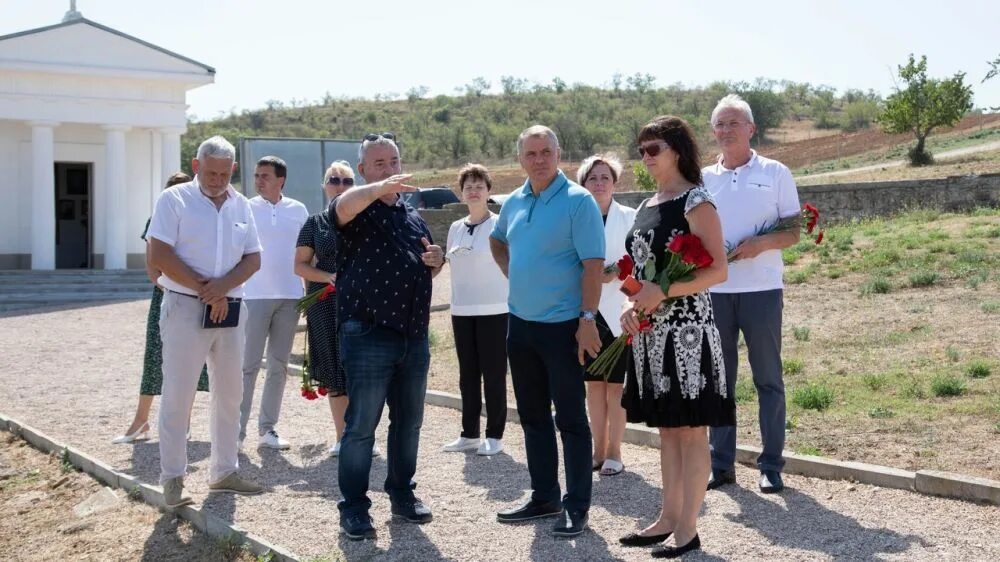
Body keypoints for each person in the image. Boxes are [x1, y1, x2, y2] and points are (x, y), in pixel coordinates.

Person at [617, 115, 732, 559]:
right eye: (641, 150)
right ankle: (667, 518)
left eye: (653, 149)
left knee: (690, 432)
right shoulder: (648, 204)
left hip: (687, 333)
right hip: (650, 334)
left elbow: (717, 269)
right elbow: (640, 273)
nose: (645, 157)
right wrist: (633, 304)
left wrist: (661, 291)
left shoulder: (697, 200)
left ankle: (688, 529)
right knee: (668, 431)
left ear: (678, 151)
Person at [490, 125, 605, 538]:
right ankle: (544, 497)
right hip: (520, 326)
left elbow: (593, 265)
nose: (539, 159)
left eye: (546, 151)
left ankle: (577, 506)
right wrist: (513, 274)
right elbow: (497, 241)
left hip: (564, 329)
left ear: (560, 154)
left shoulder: (579, 201)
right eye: (531, 153)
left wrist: (587, 319)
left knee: (572, 420)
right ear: (520, 158)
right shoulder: (513, 202)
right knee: (534, 417)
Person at [331, 133, 444, 540]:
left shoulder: (412, 215)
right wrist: (378, 189)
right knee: (361, 425)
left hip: (413, 335)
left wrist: (436, 259)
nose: (388, 169)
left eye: (393, 161)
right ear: (362, 170)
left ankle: (402, 493)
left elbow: (426, 262)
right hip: (367, 333)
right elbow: (340, 208)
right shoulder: (354, 208)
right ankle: (355, 508)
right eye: (378, 163)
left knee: (409, 422)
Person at [147, 135, 264, 508]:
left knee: (231, 393)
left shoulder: (241, 205)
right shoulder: (174, 199)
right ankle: (173, 478)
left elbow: (252, 258)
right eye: (211, 172)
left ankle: (224, 471)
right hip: (183, 305)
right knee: (178, 394)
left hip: (230, 307)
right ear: (196, 166)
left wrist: (221, 290)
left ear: (233, 170)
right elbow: (161, 253)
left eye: (225, 173)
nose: (217, 179)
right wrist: (206, 291)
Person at [703, 94, 801, 494]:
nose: (726, 130)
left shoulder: (776, 172)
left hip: (762, 290)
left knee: (768, 380)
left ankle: (771, 465)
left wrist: (760, 245)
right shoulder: (704, 178)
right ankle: (721, 465)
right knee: (719, 382)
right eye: (720, 125)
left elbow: (794, 231)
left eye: (734, 123)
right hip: (716, 291)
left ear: (751, 129)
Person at [112, 172, 209, 445]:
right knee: (155, 360)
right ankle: (141, 421)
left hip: (199, 297)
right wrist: (177, 289)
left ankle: (183, 424)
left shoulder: (200, 220)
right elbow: (153, 270)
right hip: (168, 299)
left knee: (191, 364)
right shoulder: (156, 220)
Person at [294, 160, 380, 458]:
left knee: (363, 370)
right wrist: (328, 276)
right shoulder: (314, 223)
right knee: (334, 369)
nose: (340, 186)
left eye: (346, 181)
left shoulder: (369, 219)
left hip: (362, 303)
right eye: (334, 180)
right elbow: (300, 265)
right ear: (325, 184)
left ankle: (365, 436)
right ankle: (343, 437)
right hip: (325, 303)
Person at [238, 156, 309, 451]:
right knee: (247, 366)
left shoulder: (299, 210)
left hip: (290, 297)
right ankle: (236, 432)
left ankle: (267, 430)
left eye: (265, 175)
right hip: (252, 296)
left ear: (281, 180)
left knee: (278, 366)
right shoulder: (245, 207)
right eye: (256, 175)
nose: (258, 180)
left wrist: (308, 292)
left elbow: (308, 253)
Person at [441, 164, 509, 457]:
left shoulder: (500, 224)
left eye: (479, 185)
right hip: (462, 310)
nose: (474, 190)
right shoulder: (456, 228)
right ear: (462, 192)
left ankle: (494, 435)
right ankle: (469, 433)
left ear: (488, 191)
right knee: (467, 374)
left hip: (495, 309)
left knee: (493, 374)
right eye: (468, 186)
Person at [576, 154, 637, 476]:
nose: (599, 183)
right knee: (593, 387)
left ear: (615, 183)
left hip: (619, 311)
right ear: (583, 183)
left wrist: (617, 272)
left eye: (605, 178)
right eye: (592, 178)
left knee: (615, 387)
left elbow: (641, 259)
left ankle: (615, 451)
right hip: (587, 311)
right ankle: (597, 451)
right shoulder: (574, 216)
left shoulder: (630, 217)